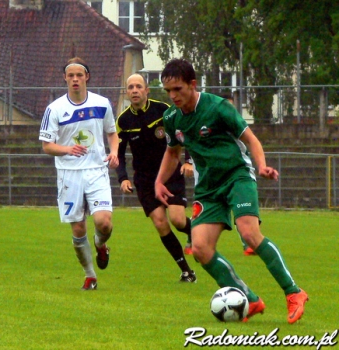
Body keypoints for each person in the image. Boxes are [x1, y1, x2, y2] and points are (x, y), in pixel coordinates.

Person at [155, 58, 308, 324]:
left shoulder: (218, 107)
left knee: (249, 232)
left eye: (178, 89)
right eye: (168, 91)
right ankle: (249, 298)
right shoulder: (171, 118)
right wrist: (159, 181)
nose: (173, 96)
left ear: (193, 84)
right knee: (201, 248)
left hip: (237, 175)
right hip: (208, 188)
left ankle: (294, 292)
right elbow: (172, 152)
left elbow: (250, 138)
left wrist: (262, 166)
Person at [39, 57, 119, 290]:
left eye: (79, 75)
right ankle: (90, 275)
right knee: (78, 228)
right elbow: (46, 146)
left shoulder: (102, 103)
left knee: (104, 223)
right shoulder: (54, 109)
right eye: (71, 75)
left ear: (87, 77)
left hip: (96, 170)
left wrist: (113, 152)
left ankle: (100, 244)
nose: (75, 79)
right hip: (68, 173)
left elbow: (112, 133)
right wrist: (67, 149)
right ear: (65, 78)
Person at [115, 74, 196, 282]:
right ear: (126, 92)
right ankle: (186, 271)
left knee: (178, 220)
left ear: (146, 90)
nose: (134, 90)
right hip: (144, 180)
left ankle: (195, 233)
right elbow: (120, 153)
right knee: (160, 223)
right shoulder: (123, 121)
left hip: (169, 173)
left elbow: (182, 134)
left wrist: (188, 161)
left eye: (138, 86)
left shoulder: (163, 110)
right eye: (130, 87)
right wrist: (123, 178)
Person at [180, 93, 256, 256]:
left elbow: (248, 142)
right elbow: (190, 141)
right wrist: (188, 161)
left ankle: (247, 243)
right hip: (207, 177)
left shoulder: (234, 125)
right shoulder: (205, 120)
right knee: (199, 209)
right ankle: (191, 241)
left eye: (230, 106)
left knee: (241, 209)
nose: (227, 109)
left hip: (232, 174)